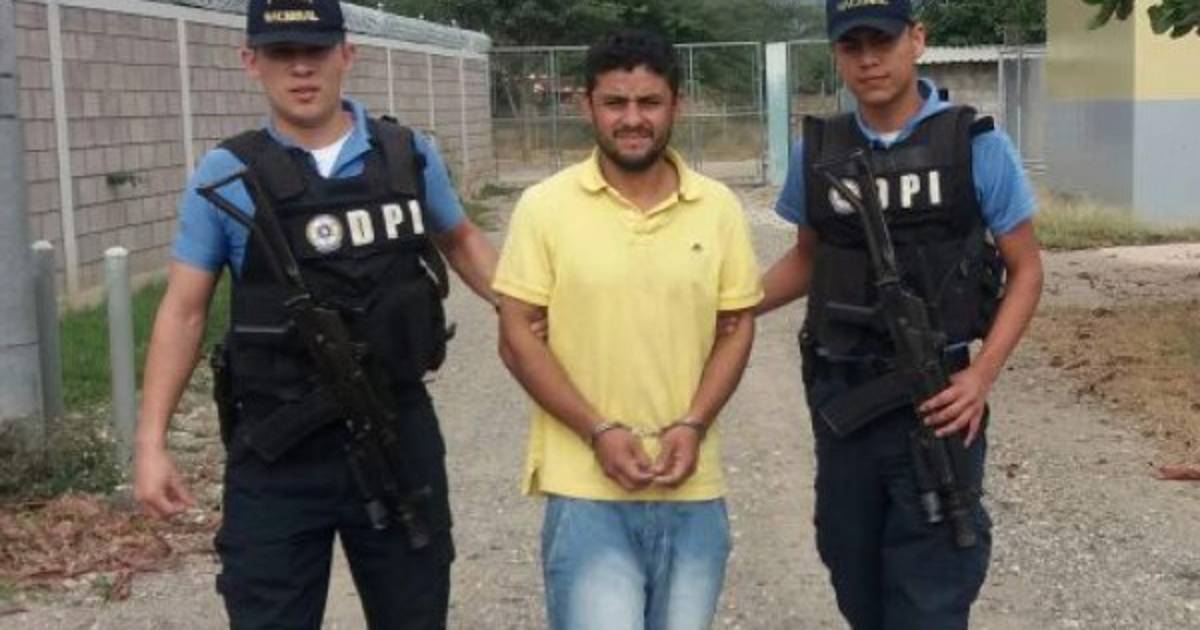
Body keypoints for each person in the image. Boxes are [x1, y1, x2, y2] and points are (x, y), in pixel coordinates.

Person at [132, 0, 502, 627]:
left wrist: (526, 313)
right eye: (282, 54)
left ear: (346, 56)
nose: (301, 69)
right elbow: (184, 312)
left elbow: (462, 241)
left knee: (414, 613)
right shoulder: (225, 175)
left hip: (394, 429)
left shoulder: (406, 154)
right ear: (251, 62)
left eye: (316, 51)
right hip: (277, 448)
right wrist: (151, 444)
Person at [757, 1, 1044, 628]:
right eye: (851, 46)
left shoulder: (975, 144)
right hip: (844, 397)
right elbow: (808, 259)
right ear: (837, 55)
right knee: (850, 565)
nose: (868, 60)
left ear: (916, 40)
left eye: (881, 42)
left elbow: (1026, 270)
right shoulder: (818, 151)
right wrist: (727, 307)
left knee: (932, 587)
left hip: (937, 399)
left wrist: (982, 375)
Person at [494, 29, 763, 630]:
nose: (633, 119)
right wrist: (597, 431)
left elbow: (736, 326)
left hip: (692, 487)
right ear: (586, 105)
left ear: (676, 105)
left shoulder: (718, 207)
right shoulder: (545, 207)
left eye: (650, 102)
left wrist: (694, 423)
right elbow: (515, 336)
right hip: (585, 490)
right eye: (615, 102)